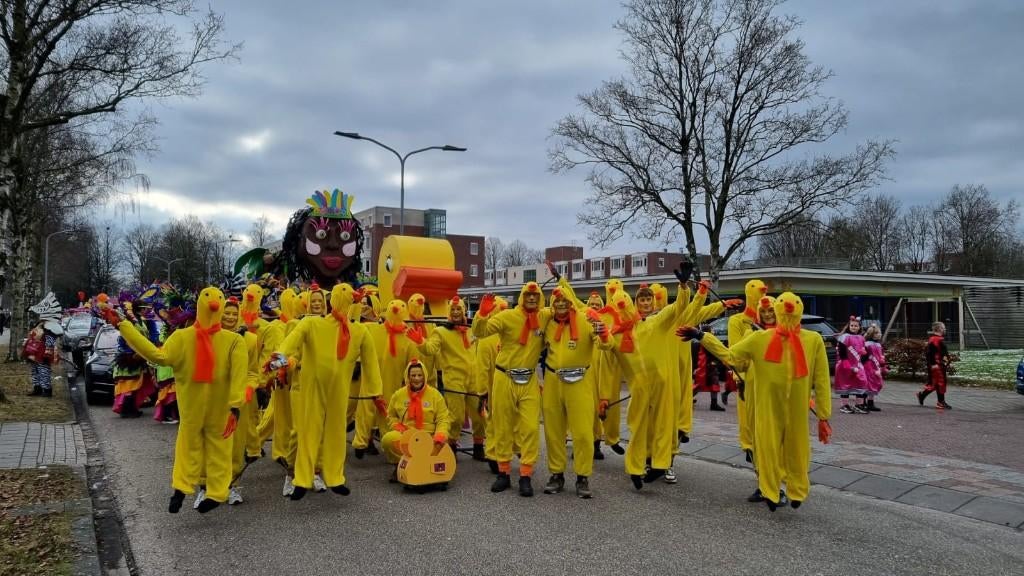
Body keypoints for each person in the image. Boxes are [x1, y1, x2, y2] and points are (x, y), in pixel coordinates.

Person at [680, 292, 832, 511]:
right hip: (765, 405)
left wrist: (823, 416)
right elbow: (731, 356)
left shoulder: (813, 339)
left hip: (797, 408)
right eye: (766, 311)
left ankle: (797, 489)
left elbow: (822, 379)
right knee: (766, 448)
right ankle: (769, 490)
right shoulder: (758, 337)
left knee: (798, 450)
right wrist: (702, 336)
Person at [104, 287, 248, 514]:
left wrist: (235, 405)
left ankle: (215, 492)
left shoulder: (233, 341)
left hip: (218, 409)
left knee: (217, 449)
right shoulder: (183, 338)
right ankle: (183, 488)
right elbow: (158, 356)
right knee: (191, 447)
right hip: (194, 409)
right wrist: (124, 327)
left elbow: (240, 374)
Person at [271, 283, 383, 500]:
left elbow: (371, 362)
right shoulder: (311, 323)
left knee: (336, 432)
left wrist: (375, 392)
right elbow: (290, 344)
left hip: (338, 390)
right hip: (310, 387)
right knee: (308, 431)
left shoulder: (359, 331)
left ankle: (335, 477)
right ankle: (301, 478)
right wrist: (278, 360)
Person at [472, 282, 553, 496]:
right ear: (521, 297)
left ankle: (525, 475)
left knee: (531, 428)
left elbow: (567, 308)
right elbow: (480, 332)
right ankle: (504, 473)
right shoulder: (507, 317)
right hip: (504, 377)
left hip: (529, 380)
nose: (532, 298)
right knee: (503, 426)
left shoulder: (545, 316)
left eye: (535, 295)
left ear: (540, 298)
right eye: (528, 295)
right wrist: (482, 314)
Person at [539, 282, 612, 499]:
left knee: (582, 433)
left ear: (571, 302)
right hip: (552, 380)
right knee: (553, 432)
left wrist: (604, 334)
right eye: (557, 301)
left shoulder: (586, 318)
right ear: (552, 304)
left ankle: (582, 476)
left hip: (580, 382)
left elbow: (606, 345)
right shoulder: (547, 322)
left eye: (564, 300)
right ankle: (556, 474)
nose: (561, 304)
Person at [413, 296, 484, 458]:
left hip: (474, 379)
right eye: (453, 309)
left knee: (479, 415)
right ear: (448, 312)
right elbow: (430, 349)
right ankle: (451, 446)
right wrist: (420, 341)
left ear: (464, 310)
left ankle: (478, 445)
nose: (456, 312)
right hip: (454, 379)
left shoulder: (472, 329)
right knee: (456, 417)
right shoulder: (441, 332)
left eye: (459, 309)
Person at [381, 359, 451, 480]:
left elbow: (443, 418)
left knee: (440, 455)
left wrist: (440, 435)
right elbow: (391, 415)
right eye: (413, 375)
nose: (417, 379)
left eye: (420, 375)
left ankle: (426, 470)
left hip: (429, 438)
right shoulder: (398, 395)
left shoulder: (435, 395)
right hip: (407, 437)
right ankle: (399, 466)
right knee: (388, 439)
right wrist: (397, 426)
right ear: (408, 377)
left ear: (425, 376)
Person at [112, 300, 160, 418]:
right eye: (145, 309)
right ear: (141, 309)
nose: (147, 311)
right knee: (130, 385)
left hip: (139, 356)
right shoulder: (131, 322)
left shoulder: (141, 321)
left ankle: (132, 408)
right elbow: (126, 339)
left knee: (136, 385)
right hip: (130, 358)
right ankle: (127, 410)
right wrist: (133, 353)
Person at [834, 316, 870, 414]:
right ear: (849, 326)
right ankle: (844, 405)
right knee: (845, 384)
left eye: (856, 326)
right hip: (845, 365)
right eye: (852, 325)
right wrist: (845, 362)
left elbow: (864, 350)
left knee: (861, 382)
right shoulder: (844, 337)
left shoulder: (861, 338)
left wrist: (864, 354)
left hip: (857, 364)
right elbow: (841, 350)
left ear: (859, 327)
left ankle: (859, 404)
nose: (854, 327)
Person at [917, 322, 952, 410]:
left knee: (935, 384)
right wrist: (933, 364)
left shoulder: (938, 339)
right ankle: (940, 402)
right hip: (937, 365)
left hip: (940, 364)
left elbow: (942, 352)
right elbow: (930, 353)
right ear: (939, 329)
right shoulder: (934, 340)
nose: (944, 329)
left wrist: (947, 360)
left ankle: (922, 395)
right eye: (943, 327)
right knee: (940, 383)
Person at [24, 319, 59, 397]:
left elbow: (50, 343)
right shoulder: (37, 328)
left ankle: (47, 390)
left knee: (44, 372)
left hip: (43, 355)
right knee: (35, 372)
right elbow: (31, 337)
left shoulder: (49, 331)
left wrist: (47, 353)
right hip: (34, 354)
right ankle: (37, 388)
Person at [863, 324, 888, 411]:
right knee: (868, 384)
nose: (879, 334)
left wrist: (883, 365)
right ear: (871, 334)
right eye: (877, 333)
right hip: (868, 366)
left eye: (880, 332)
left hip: (876, 367)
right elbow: (863, 356)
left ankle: (870, 403)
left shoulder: (879, 344)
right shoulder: (867, 344)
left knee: (875, 383)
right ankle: (864, 402)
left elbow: (881, 356)